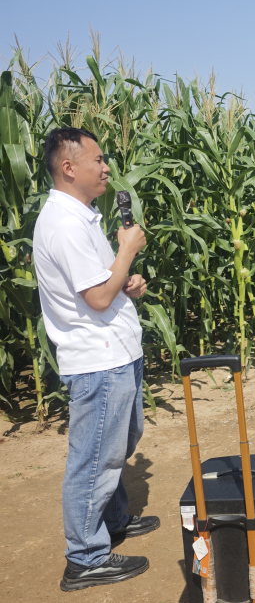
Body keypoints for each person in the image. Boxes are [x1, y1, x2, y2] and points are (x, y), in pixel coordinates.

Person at [33, 128, 157, 592]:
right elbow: (99, 299)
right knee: (95, 460)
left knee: (118, 443)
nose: (107, 168)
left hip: (117, 351)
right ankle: (85, 557)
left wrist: (130, 280)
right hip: (97, 359)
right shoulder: (63, 225)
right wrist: (127, 249)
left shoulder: (82, 218)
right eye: (99, 160)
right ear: (69, 168)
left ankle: (113, 518)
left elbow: (105, 283)